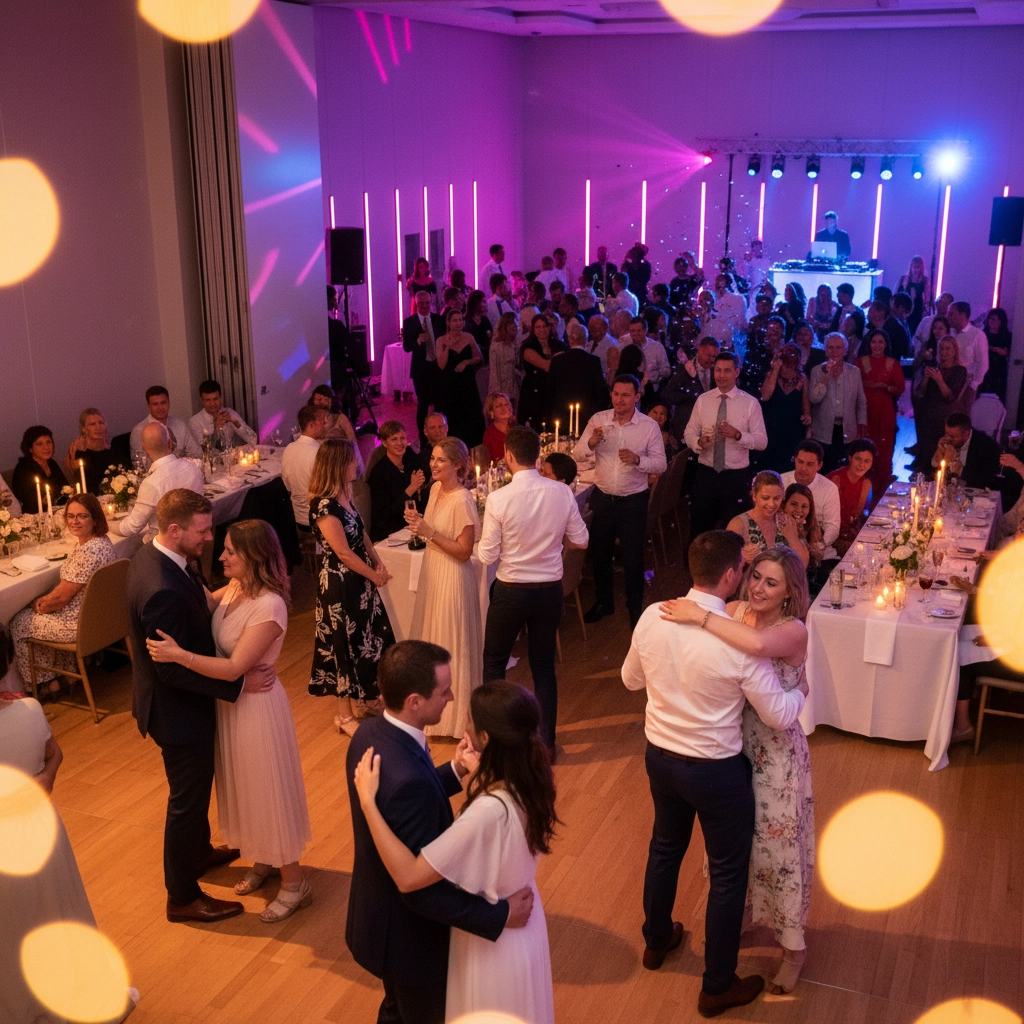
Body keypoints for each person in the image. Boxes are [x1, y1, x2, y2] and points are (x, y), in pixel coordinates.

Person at [622, 530, 806, 1017]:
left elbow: (629, 680)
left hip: (660, 755)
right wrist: (803, 691)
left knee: (665, 848)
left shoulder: (651, 616)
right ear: (731, 575)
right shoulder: (741, 645)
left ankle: (657, 941)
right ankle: (716, 985)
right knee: (727, 877)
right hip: (716, 772)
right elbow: (778, 715)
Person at [344, 642, 535, 1024]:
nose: (450, 697)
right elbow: (419, 889)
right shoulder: (408, 781)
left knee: (396, 1008)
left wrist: (456, 769)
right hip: (411, 940)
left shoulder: (370, 733)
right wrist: (497, 915)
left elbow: (415, 790)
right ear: (414, 701)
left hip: (378, 917)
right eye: (443, 691)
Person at [145, 520, 312, 922]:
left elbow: (236, 666)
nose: (221, 556)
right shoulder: (236, 588)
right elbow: (199, 601)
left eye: (230, 551)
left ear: (254, 557)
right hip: (232, 708)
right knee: (246, 788)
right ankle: (263, 859)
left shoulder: (269, 605)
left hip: (258, 711)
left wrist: (178, 655)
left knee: (268, 791)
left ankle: (295, 883)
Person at [126, 489, 245, 923]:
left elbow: (196, 602)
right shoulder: (161, 590)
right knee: (187, 801)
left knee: (192, 795)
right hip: (176, 713)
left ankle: (198, 854)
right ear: (174, 530)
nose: (209, 538)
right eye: (202, 530)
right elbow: (171, 671)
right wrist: (236, 682)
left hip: (171, 704)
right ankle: (181, 896)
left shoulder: (154, 555)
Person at [0, 686, 140, 1022]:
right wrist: (46, 778)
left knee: (12, 930)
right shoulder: (30, 709)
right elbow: (55, 754)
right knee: (56, 911)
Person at [479, 426, 589, 755]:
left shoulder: (498, 499)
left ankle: (496, 742)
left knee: (494, 663)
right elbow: (581, 539)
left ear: (509, 457)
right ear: (538, 457)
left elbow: (487, 555)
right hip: (548, 591)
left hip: (512, 590)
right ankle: (547, 744)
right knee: (543, 666)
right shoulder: (561, 493)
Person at [308, 439, 395, 736]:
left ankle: (368, 698)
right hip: (340, 583)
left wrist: (378, 564)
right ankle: (343, 715)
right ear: (337, 464)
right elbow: (343, 552)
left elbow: (362, 534)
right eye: (351, 460)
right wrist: (373, 574)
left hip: (360, 579)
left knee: (371, 637)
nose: (356, 464)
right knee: (342, 644)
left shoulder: (346, 493)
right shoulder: (323, 505)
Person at [403, 438, 482, 739]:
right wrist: (419, 524)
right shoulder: (435, 489)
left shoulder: (463, 500)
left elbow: (463, 552)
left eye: (440, 461)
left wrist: (429, 531)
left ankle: (456, 718)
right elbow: (432, 533)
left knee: (452, 640)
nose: (433, 465)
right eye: (432, 458)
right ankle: (430, 710)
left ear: (458, 465)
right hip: (434, 570)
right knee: (434, 634)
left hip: (453, 575)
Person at [576, 376, 667, 628]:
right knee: (600, 555)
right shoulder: (598, 420)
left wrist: (639, 461)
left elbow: (661, 463)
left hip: (632, 502)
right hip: (603, 498)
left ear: (637, 397)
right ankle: (604, 602)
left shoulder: (648, 427)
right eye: (615, 394)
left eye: (625, 395)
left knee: (633, 559)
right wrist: (592, 443)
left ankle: (635, 608)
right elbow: (577, 453)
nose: (619, 400)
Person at [10, 492, 117, 694]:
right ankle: (62, 677)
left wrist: (37, 604)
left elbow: (59, 600)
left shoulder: (87, 552)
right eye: (70, 516)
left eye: (82, 516)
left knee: (20, 621)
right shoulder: (102, 542)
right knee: (42, 615)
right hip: (103, 620)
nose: (74, 521)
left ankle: (40, 685)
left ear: (95, 519)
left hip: (80, 626)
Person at [684, 351, 768, 538]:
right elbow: (689, 432)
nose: (721, 375)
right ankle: (698, 565)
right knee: (700, 527)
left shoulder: (750, 403)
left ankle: (733, 566)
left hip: (735, 478)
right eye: (718, 370)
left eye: (727, 371)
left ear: (736, 372)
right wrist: (698, 442)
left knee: (734, 531)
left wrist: (738, 435)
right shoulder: (703, 400)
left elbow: (762, 442)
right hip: (706, 473)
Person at [114, 422, 205, 541]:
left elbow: (131, 528)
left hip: (168, 549)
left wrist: (106, 523)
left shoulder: (152, 483)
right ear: (169, 444)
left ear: (144, 448)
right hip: (198, 537)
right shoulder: (193, 466)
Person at [808, 332, 868, 474]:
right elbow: (814, 399)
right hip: (823, 430)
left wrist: (862, 426)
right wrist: (826, 376)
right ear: (826, 349)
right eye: (831, 347)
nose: (834, 351)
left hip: (848, 430)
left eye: (838, 348)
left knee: (844, 470)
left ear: (845, 350)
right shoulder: (817, 371)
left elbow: (861, 402)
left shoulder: (854, 372)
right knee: (825, 469)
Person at [727, 471, 808, 567]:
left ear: (783, 497)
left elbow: (803, 564)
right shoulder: (739, 524)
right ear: (754, 496)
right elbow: (723, 564)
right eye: (765, 498)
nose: (771, 504)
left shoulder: (786, 521)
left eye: (777, 498)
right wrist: (742, 557)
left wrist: (792, 538)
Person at [858, 328, 906, 488]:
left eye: (880, 342)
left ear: (886, 344)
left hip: (885, 411)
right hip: (864, 410)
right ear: (869, 343)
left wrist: (885, 386)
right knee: (864, 444)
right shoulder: (860, 362)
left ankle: (881, 484)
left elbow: (900, 387)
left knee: (884, 448)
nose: (877, 345)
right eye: (874, 342)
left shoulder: (893, 364)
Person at [781, 440, 841, 567]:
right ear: (795, 459)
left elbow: (833, 526)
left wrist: (820, 545)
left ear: (819, 465)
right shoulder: (780, 482)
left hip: (820, 555)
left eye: (810, 464)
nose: (803, 468)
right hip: (783, 552)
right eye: (800, 462)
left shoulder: (829, 488)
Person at [913, 336, 968, 472]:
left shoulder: (960, 371)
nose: (944, 352)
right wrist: (926, 378)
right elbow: (919, 393)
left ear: (955, 350)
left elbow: (950, 397)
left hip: (944, 418)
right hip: (926, 416)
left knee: (941, 455)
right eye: (942, 348)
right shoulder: (933, 367)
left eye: (948, 348)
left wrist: (939, 379)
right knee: (925, 452)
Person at [368, 420, 427, 542]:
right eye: (394, 439)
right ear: (384, 443)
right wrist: (412, 488)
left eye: (403, 438)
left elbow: (424, 471)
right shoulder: (379, 473)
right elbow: (386, 514)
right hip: (391, 531)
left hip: (412, 521)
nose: (400, 443)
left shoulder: (408, 455)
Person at [547, 321, 610, 430]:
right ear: (585, 340)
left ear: (570, 339)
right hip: (586, 417)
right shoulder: (593, 361)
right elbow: (601, 391)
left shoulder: (557, 361)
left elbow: (549, 391)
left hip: (561, 416)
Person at [759, 343, 812, 473]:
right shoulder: (772, 374)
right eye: (786, 353)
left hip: (792, 431)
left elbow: (806, 408)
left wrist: (807, 421)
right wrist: (775, 369)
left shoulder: (802, 379)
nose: (790, 357)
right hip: (771, 428)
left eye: (793, 354)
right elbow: (765, 396)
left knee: (787, 470)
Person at [403, 290, 448, 440]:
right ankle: (423, 437)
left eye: (427, 303)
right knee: (422, 404)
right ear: (416, 303)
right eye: (421, 303)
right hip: (420, 370)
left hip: (438, 367)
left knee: (440, 402)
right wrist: (417, 341)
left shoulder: (439, 319)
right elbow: (406, 347)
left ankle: (440, 434)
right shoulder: (409, 322)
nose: (424, 306)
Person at [437, 310, 485, 447]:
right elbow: (441, 365)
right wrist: (448, 347)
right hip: (450, 385)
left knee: (471, 417)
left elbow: (479, 358)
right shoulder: (441, 340)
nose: (458, 323)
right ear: (448, 322)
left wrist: (466, 362)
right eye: (455, 320)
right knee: (453, 417)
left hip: (467, 383)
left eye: (460, 320)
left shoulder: (468, 337)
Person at [281, 403, 330, 532]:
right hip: (319, 521)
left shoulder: (289, 448)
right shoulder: (319, 453)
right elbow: (328, 489)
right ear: (312, 424)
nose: (326, 426)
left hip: (298, 518)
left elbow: (287, 485)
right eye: (323, 422)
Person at [129, 385, 201, 467]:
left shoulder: (180, 425)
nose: (160, 407)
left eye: (163, 402)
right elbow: (141, 466)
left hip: (183, 472)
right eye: (155, 404)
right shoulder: (139, 431)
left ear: (169, 403)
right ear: (148, 406)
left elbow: (197, 453)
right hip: (156, 477)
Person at [517, 314, 566, 431]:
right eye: (538, 327)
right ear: (533, 329)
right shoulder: (527, 347)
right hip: (534, 394)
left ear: (549, 328)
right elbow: (546, 366)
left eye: (544, 326)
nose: (542, 330)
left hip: (553, 392)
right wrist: (558, 357)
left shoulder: (558, 345)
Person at [827, 439, 876, 556]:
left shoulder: (866, 484)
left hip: (848, 534)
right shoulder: (836, 480)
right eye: (858, 459)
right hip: (829, 535)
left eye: (867, 461)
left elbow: (857, 517)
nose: (861, 465)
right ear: (850, 458)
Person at [662, 337, 718, 441]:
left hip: (709, 426)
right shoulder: (685, 369)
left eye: (714, 356)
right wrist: (690, 396)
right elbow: (668, 394)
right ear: (700, 351)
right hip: (687, 423)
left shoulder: (717, 371)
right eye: (708, 355)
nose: (711, 360)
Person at [932, 412, 1002, 490]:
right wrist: (939, 453)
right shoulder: (943, 440)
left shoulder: (987, 446)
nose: (948, 439)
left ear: (966, 434)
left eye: (952, 436)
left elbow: (986, 482)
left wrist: (957, 466)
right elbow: (930, 473)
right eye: (946, 434)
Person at [12, 425, 69, 513]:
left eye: (49, 442)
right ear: (30, 448)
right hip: (37, 515)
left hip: (59, 511)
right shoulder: (23, 469)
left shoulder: (51, 463)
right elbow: (31, 503)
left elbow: (66, 489)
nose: (46, 447)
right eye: (40, 444)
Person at [189, 379, 257, 450]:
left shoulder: (229, 413)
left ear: (220, 398)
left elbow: (253, 440)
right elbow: (204, 450)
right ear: (202, 401)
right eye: (208, 400)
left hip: (233, 458)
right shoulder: (195, 422)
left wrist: (236, 423)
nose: (212, 403)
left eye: (215, 399)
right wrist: (216, 428)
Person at [64, 407, 117, 494]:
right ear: (84, 428)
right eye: (92, 424)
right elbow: (72, 477)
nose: (98, 428)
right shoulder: (78, 449)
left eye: (101, 423)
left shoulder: (113, 446)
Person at [948, 300, 989, 407]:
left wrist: (973, 386)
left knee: (961, 418)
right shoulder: (949, 333)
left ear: (962, 315)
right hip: (947, 381)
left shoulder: (977, 335)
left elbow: (983, 364)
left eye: (951, 314)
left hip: (966, 385)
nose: (948, 317)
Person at [739, 315, 784, 397]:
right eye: (771, 329)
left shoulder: (785, 353)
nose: (774, 331)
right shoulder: (756, 352)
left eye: (778, 329)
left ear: (783, 332)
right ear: (766, 331)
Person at [487, 311, 523, 409]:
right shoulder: (496, 346)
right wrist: (497, 394)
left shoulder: (516, 344)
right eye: (511, 324)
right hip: (501, 385)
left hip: (514, 384)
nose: (514, 326)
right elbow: (494, 372)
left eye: (515, 324)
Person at [979, 307, 1012, 402]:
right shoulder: (982, 334)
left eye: (997, 319)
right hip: (983, 367)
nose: (994, 321)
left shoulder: (1006, 336)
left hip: (998, 369)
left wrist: (992, 348)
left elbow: (1006, 352)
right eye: (992, 318)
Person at [896, 255, 931, 336]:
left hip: (917, 313)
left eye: (918, 267)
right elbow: (895, 296)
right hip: (904, 311)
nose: (916, 270)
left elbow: (927, 299)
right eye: (914, 267)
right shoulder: (903, 279)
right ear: (911, 267)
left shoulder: (925, 281)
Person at [482, 392, 516, 463]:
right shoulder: (490, 434)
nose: (504, 408)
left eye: (506, 404)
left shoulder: (516, 427)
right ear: (492, 412)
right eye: (499, 406)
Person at [416, 412, 450, 477]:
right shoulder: (423, 458)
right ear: (425, 431)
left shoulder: (456, 448)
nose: (437, 431)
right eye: (432, 428)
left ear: (446, 428)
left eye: (440, 426)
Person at [464, 289, 492, 365]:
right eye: (483, 301)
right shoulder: (467, 322)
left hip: (487, 357)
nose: (485, 304)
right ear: (476, 304)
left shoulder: (484, 320)